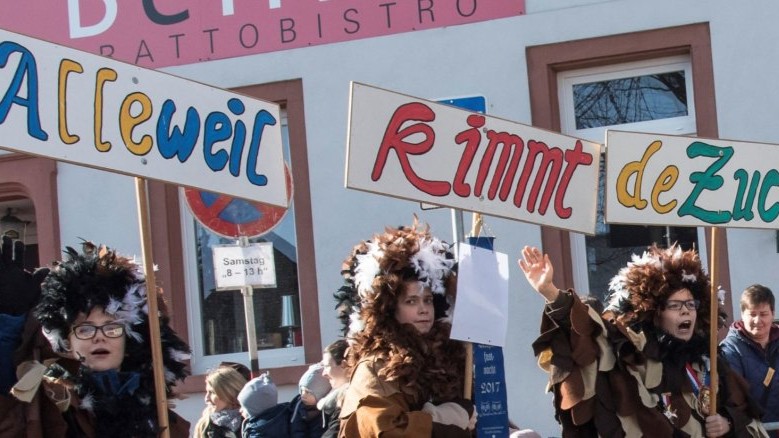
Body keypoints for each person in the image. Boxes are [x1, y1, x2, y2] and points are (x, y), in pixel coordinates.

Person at [519, 244, 767, 437]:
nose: (686, 312)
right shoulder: (632, 354)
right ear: (655, 312)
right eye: (675, 305)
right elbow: (590, 336)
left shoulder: (710, 361)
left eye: (691, 304)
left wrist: (727, 422)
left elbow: (746, 413)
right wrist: (551, 293)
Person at [14, 241, 192, 437]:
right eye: (85, 329)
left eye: (112, 328)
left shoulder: (160, 417)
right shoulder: (52, 400)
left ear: (131, 339)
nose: (99, 337)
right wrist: (9, 325)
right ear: (68, 341)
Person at [336, 220, 477, 437]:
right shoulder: (376, 366)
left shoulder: (449, 357)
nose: (423, 310)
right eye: (411, 301)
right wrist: (438, 420)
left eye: (428, 300)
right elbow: (383, 430)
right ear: (391, 309)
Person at [720, 284, 779, 427]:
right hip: (751, 430)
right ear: (742, 315)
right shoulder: (730, 349)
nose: (758, 321)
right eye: (752, 314)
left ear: (773, 313)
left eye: (763, 314)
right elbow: (735, 399)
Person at [194, 365, 247, 438]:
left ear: (230, 392)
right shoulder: (205, 424)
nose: (206, 398)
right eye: (207, 392)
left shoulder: (251, 421)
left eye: (212, 392)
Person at [238, 372, 290, 437]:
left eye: (244, 407)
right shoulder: (283, 415)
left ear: (255, 408)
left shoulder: (258, 432)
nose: (240, 410)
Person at [318, 339, 349, 438]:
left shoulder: (348, 401)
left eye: (327, 366)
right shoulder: (335, 400)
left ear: (344, 365)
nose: (324, 374)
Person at [290, 362, 330, 437]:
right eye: (302, 390)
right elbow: (296, 430)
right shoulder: (297, 407)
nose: (303, 395)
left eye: (308, 392)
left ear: (322, 393)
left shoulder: (328, 412)